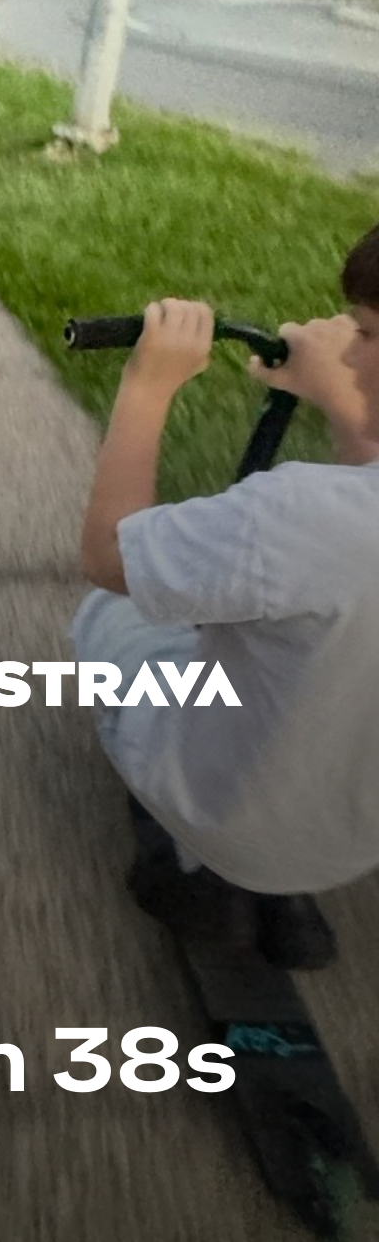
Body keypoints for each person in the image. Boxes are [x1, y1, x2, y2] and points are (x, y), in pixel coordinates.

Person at [72, 223, 379, 969]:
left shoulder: (303, 514)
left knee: (110, 614)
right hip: (350, 845)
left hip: (232, 823)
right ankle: (277, 894)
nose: (346, 350)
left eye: (366, 334)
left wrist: (148, 386)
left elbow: (110, 556)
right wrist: (347, 404)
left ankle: (188, 860)